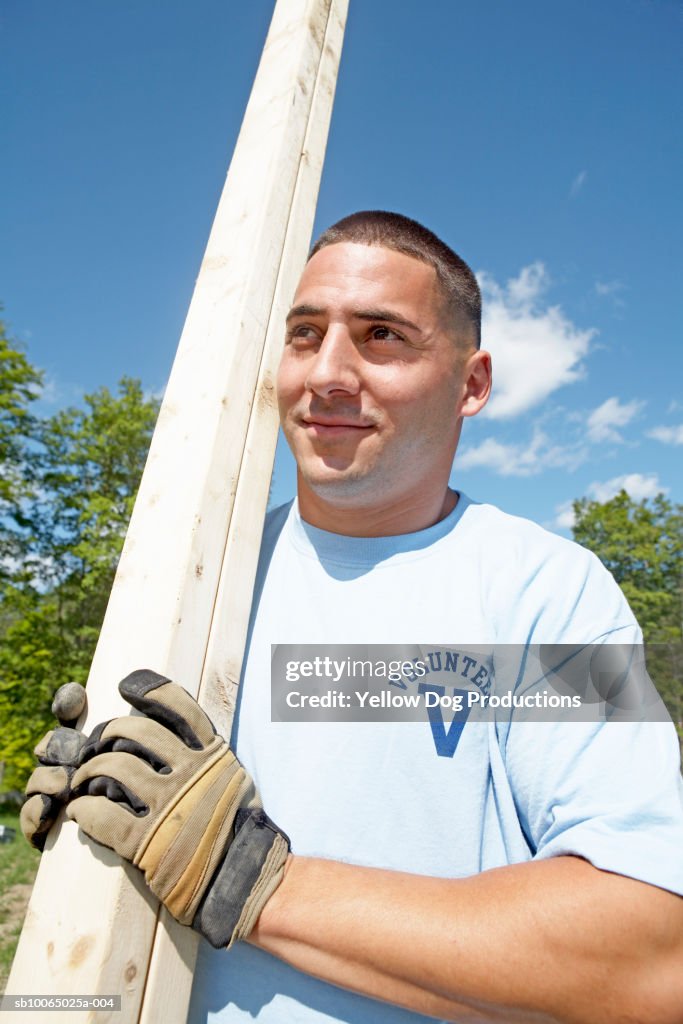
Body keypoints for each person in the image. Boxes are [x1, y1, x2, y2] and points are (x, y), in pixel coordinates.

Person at [24, 213, 683, 1023]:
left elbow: (651, 952)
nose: (327, 373)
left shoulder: (547, 593)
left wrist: (245, 877)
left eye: (380, 336)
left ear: (470, 384)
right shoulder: (192, 582)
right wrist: (86, 851)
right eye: (303, 334)